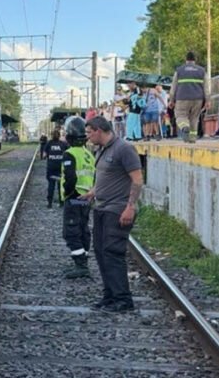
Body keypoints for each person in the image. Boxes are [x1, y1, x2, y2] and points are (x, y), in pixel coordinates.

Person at [82, 116, 143, 313]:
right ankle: (110, 295)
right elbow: (107, 177)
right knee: (101, 253)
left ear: (99, 130)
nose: (88, 136)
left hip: (117, 210)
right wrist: (93, 192)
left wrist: (130, 207)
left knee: (113, 253)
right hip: (101, 208)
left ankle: (123, 300)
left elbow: (137, 179)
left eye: (89, 132)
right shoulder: (102, 149)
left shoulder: (124, 149)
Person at [60, 117, 95, 279]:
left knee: (71, 232)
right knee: (83, 230)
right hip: (87, 199)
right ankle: (83, 262)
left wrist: (67, 194)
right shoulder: (89, 155)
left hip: (74, 198)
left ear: (69, 137)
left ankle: (81, 266)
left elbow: (70, 178)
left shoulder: (69, 154)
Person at [168, 51, 207, 143]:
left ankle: (185, 127)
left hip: (182, 98)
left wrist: (171, 100)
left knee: (180, 116)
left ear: (186, 60)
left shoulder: (179, 70)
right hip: (198, 98)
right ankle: (192, 138)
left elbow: (173, 86)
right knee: (194, 118)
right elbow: (206, 87)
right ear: (195, 60)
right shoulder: (201, 70)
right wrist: (208, 100)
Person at [44, 129, 67, 209]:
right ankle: (61, 202)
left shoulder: (49, 143)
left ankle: (49, 203)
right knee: (60, 185)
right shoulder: (63, 144)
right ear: (59, 136)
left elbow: (44, 154)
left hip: (51, 167)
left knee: (51, 185)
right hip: (60, 167)